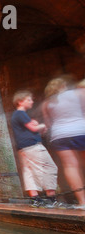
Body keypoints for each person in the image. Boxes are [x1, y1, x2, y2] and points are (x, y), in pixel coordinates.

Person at [10, 90, 67, 209]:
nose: (32, 101)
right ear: (20, 102)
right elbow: (33, 128)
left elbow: (30, 126)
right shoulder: (20, 114)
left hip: (23, 148)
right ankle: (52, 199)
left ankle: (35, 200)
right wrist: (42, 126)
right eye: (29, 99)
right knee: (49, 167)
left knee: (29, 172)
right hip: (32, 146)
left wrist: (35, 125)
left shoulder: (16, 115)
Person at [42, 77, 85, 210]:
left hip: (59, 135)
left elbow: (48, 124)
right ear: (64, 85)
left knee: (70, 167)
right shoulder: (79, 93)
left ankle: (83, 202)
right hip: (80, 130)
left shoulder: (46, 103)